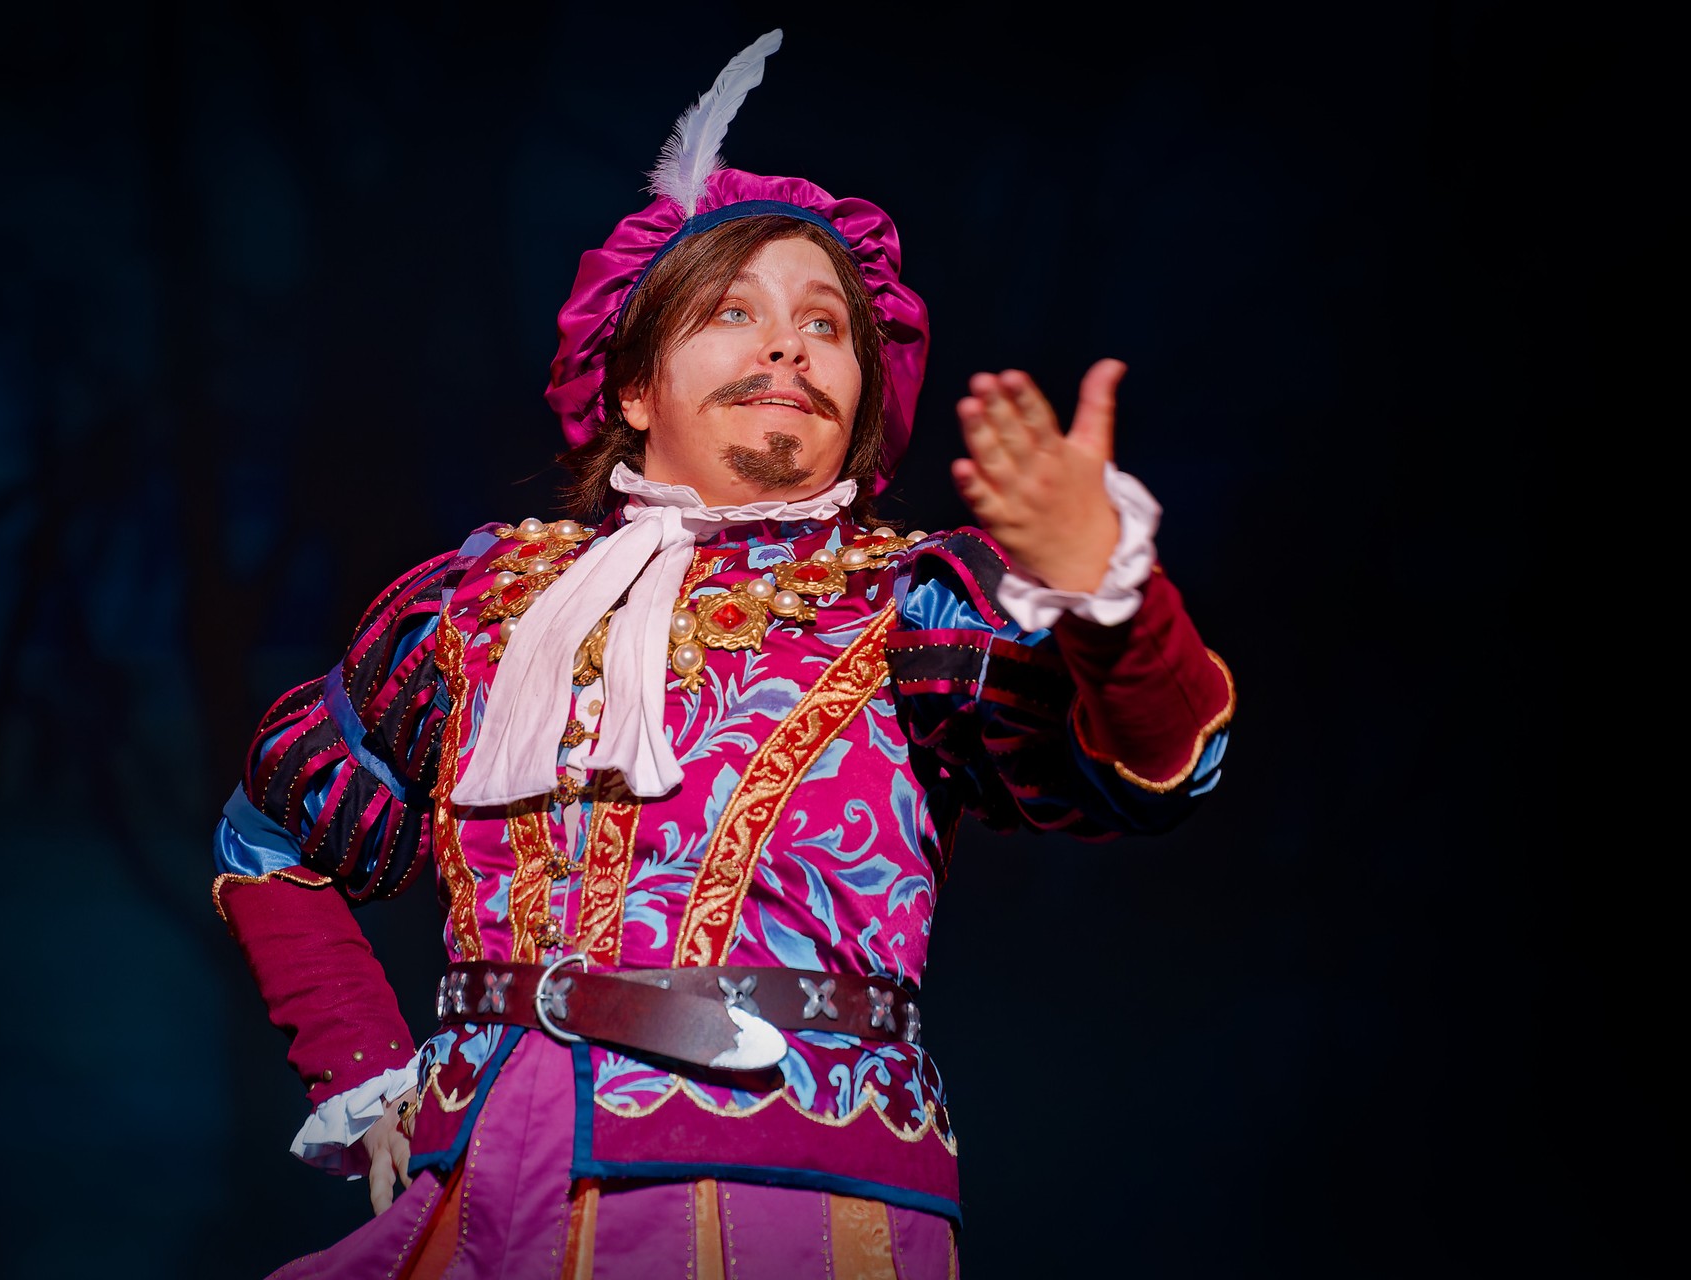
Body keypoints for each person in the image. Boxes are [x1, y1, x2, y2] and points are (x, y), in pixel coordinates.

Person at [210, 30, 1234, 1279]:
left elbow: (1155, 766)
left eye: (826, 325)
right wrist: (365, 1072)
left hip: (791, 1204)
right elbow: (268, 838)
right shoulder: (475, 607)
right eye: (734, 312)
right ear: (634, 386)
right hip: (481, 1198)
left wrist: (1110, 597)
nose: (789, 347)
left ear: (862, 400)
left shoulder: (917, 605)